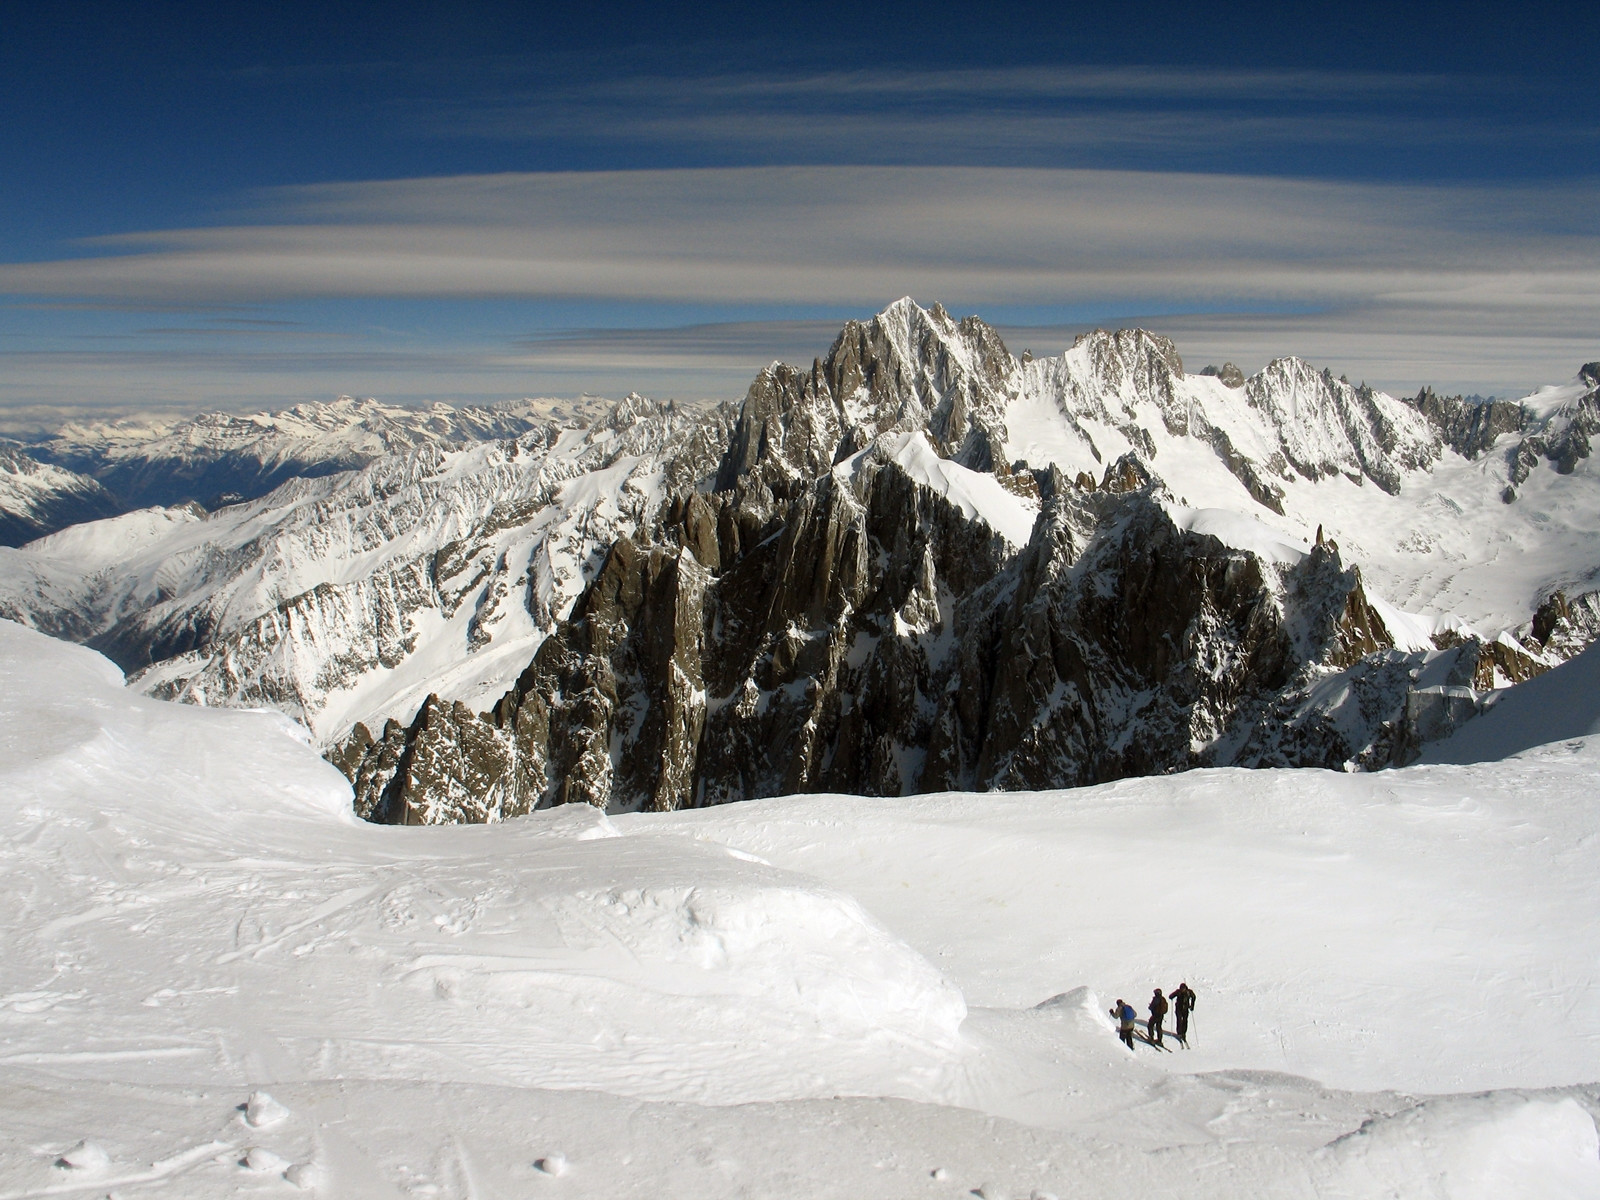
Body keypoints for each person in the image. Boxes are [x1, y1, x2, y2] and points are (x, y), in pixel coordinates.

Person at [1170, 982, 1196, 1046]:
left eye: (1183, 989)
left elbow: (1194, 997)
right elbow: (1170, 996)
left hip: (1185, 1009)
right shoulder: (1178, 992)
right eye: (1181, 989)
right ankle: (1179, 1033)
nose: (1182, 990)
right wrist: (1174, 995)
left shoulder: (1189, 992)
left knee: (1185, 1021)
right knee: (1179, 1020)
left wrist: (1192, 1006)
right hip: (1179, 1009)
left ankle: (1183, 1033)